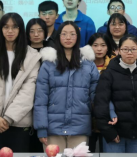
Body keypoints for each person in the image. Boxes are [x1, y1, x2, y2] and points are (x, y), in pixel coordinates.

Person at [0, 13, 42, 152]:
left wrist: (8, 118)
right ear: (1, 29)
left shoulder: (32, 57)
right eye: (6, 27)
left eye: (14, 27)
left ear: (21, 29)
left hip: (19, 123)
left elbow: (29, 92)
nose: (10, 31)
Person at [34, 22, 100, 150]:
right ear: (58, 36)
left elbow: (97, 96)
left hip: (79, 127)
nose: (68, 38)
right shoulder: (48, 64)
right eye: (64, 34)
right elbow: (40, 99)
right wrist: (41, 128)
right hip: (53, 128)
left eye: (72, 34)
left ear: (78, 37)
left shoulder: (88, 64)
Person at [95, 35, 137, 153]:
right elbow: (100, 105)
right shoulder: (109, 74)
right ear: (119, 51)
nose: (129, 52)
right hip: (115, 135)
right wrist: (108, 131)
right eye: (125, 49)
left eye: (133, 49)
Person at [88, 32, 116, 153]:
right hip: (88, 117)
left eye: (103, 45)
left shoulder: (114, 65)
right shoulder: (83, 65)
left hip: (108, 118)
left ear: (108, 47)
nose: (99, 49)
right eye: (95, 45)